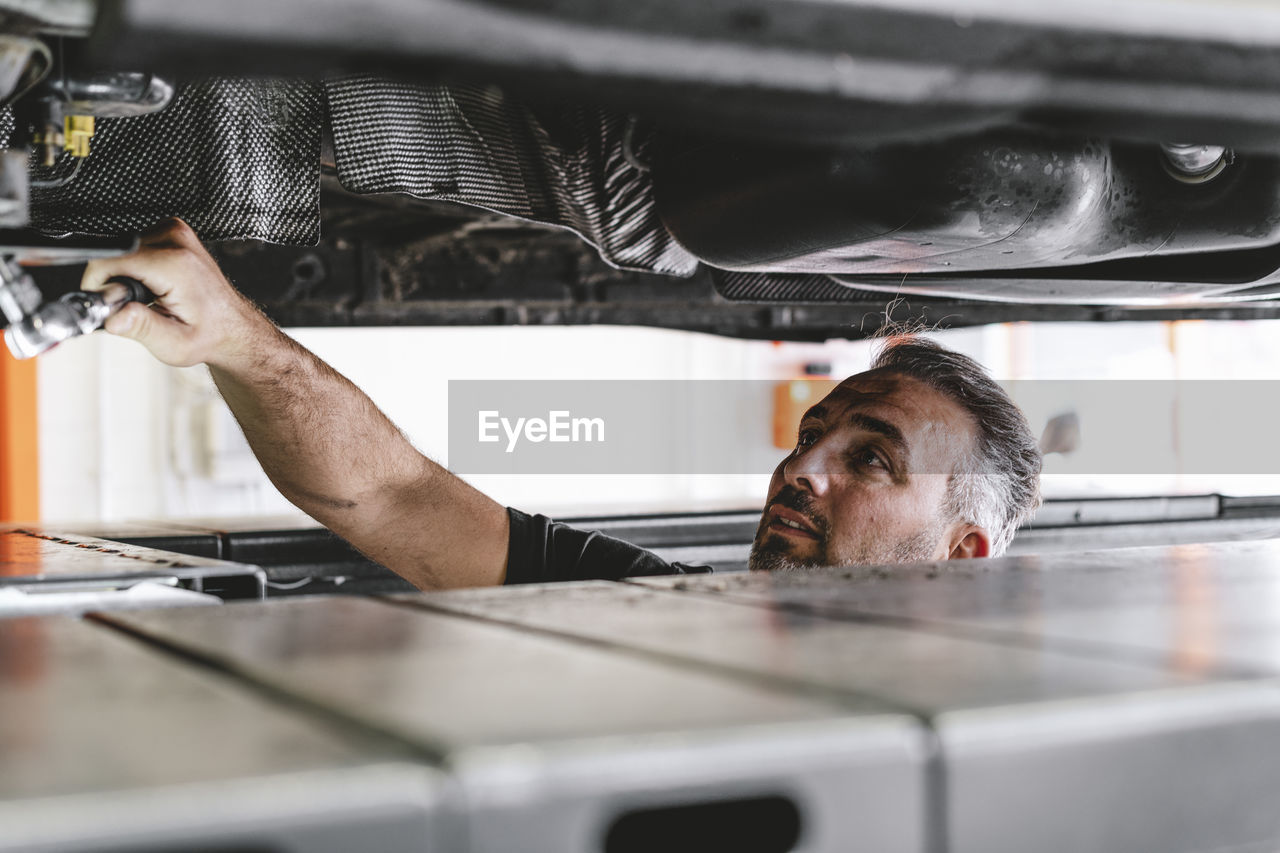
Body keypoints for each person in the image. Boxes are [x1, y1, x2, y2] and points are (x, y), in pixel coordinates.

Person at [81, 219, 1043, 590]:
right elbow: (394, 498)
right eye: (812, 435)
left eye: (870, 457)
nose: (799, 468)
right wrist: (234, 340)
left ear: (965, 554)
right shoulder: (656, 607)